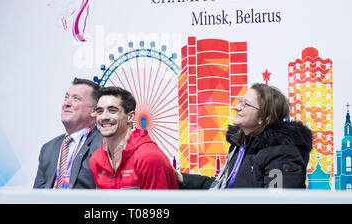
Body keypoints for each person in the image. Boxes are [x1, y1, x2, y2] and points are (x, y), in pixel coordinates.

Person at [177, 83, 313, 189]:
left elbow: (278, 200)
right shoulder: (242, 145)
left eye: (246, 104)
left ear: (265, 117)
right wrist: (182, 178)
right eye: (239, 101)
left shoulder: (283, 153)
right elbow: (223, 190)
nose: (237, 107)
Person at [89, 86, 178, 189]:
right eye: (100, 111)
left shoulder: (148, 157)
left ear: (130, 117)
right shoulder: (96, 160)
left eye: (112, 111)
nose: (104, 117)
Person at [33, 78, 103, 189]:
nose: (66, 103)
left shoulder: (104, 145)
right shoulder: (48, 148)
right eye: (66, 97)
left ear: (94, 111)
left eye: (76, 99)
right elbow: (37, 195)